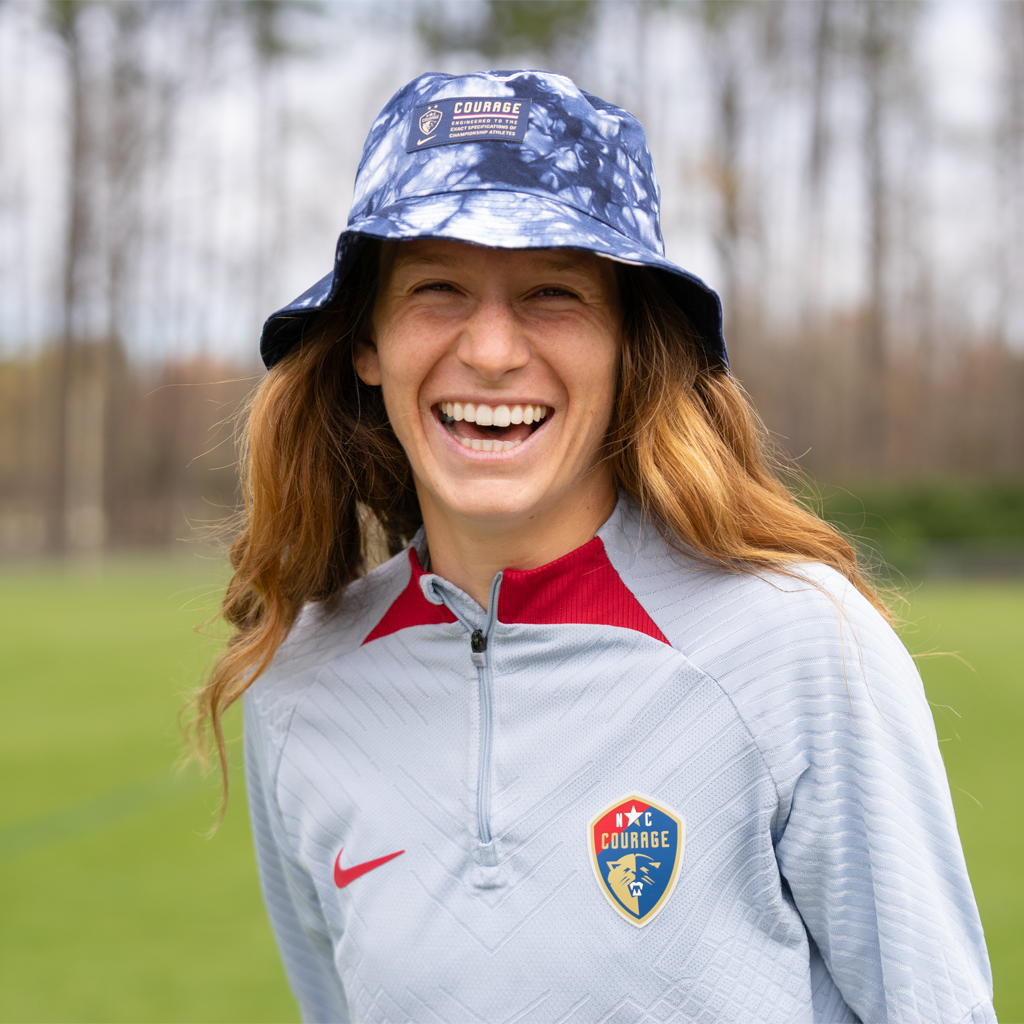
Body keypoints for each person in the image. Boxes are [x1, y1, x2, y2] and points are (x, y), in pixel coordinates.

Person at [194, 70, 996, 1023]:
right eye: (437, 289)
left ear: (630, 345)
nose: (491, 351)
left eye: (552, 293)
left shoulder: (800, 650)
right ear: (367, 342)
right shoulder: (301, 688)